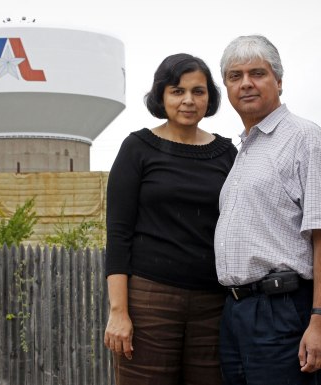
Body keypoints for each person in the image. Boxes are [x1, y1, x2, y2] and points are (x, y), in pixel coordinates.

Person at [214, 35, 321, 385]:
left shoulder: (305, 139)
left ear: (279, 81)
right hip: (237, 312)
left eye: (258, 73)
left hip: (281, 311)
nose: (246, 84)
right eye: (235, 76)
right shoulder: (244, 150)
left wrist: (320, 321)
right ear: (226, 87)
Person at [103, 53, 238, 385]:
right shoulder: (138, 148)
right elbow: (118, 235)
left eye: (198, 91)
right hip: (150, 301)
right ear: (161, 96)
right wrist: (119, 312)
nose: (188, 100)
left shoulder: (227, 154)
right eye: (178, 91)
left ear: (210, 97)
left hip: (213, 305)